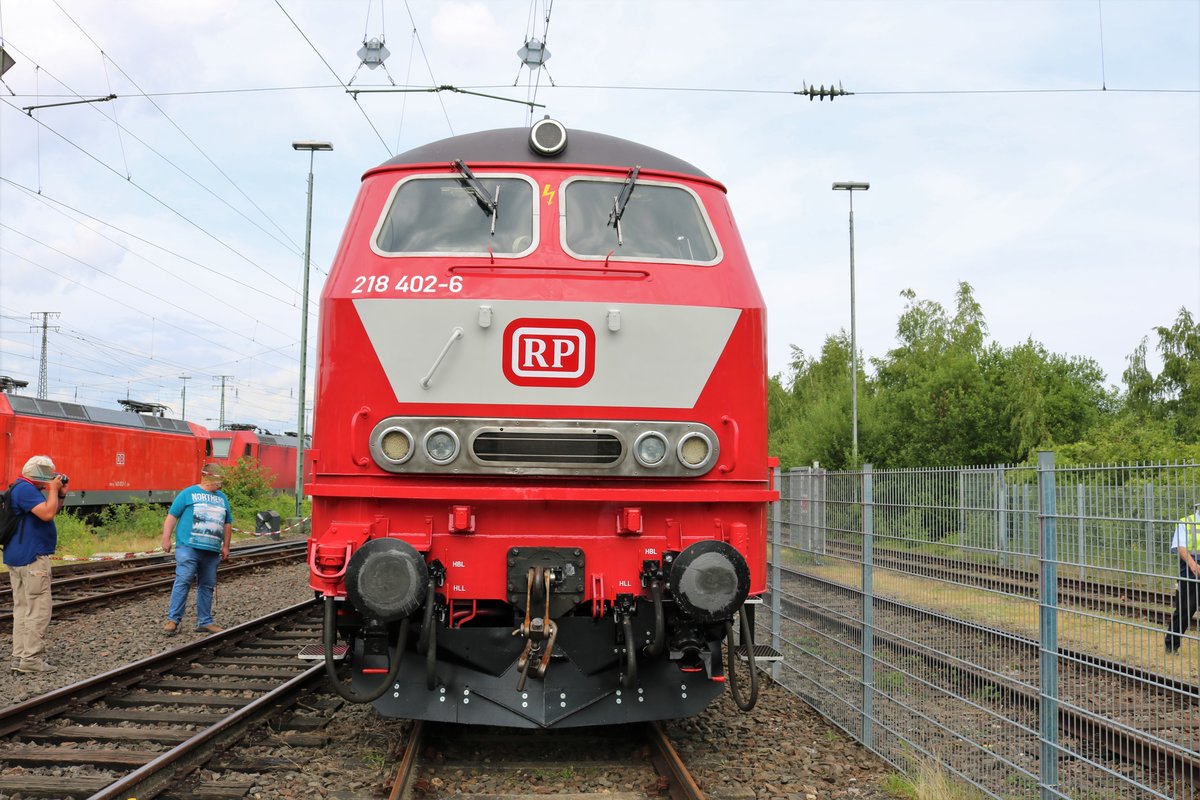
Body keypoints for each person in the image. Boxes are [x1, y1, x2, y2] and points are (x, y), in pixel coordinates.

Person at [4, 455, 66, 673]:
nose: (53, 476)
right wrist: (52, 488)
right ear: (41, 472)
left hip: (18, 556)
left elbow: (50, 510)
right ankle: (31, 659)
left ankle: (20, 657)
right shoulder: (26, 490)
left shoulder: (21, 489)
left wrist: (59, 494)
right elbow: (48, 514)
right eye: (50, 473)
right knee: (38, 609)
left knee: (22, 609)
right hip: (31, 559)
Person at [161, 463, 232, 635]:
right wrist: (166, 537)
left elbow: (227, 522)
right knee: (184, 579)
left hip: (212, 551)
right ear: (209, 477)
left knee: (207, 585)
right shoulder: (188, 493)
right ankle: (173, 620)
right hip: (188, 547)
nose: (220, 484)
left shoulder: (222, 498)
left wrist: (226, 546)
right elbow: (172, 516)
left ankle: (205, 621)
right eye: (218, 480)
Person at [1165, 501, 1200, 653]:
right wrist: (1194, 566)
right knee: (1184, 610)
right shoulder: (1185, 522)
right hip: (1189, 571)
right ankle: (1172, 645)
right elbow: (1181, 548)